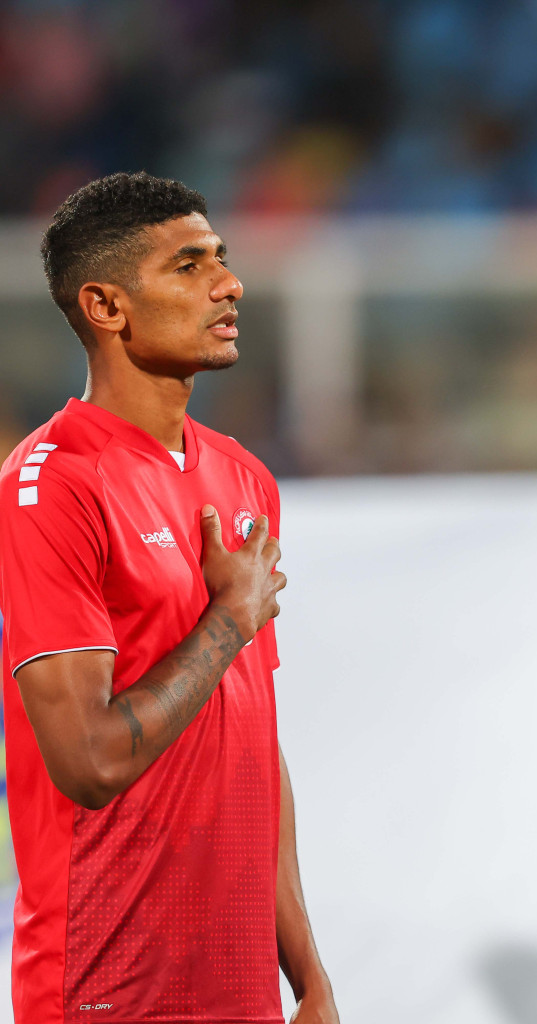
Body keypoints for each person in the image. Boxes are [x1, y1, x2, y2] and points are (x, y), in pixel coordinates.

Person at [0, 172, 336, 1024]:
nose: (230, 284)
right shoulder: (51, 487)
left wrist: (309, 978)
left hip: (242, 992)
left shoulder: (243, 475)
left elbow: (253, 741)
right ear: (106, 308)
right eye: (188, 267)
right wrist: (229, 619)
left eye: (221, 259)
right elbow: (89, 762)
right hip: (106, 992)